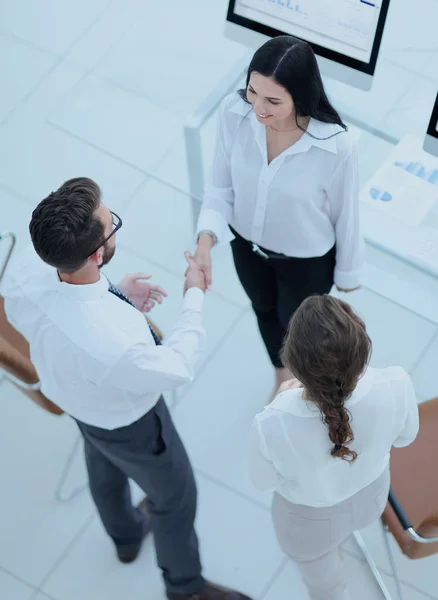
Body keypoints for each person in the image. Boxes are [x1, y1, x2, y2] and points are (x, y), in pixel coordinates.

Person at [3, 177, 252, 600]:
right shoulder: (117, 342)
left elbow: (69, 307)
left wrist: (113, 293)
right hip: (130, 421)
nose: (112, 221)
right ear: (97, 253)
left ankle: (125, 539)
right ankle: (185, 587)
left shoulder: (25, 268)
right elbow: (176, 366)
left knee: (103, 464)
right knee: (176, 498)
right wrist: (193, 295)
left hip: (78, 401)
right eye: (110, 223)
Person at [194, 35, 364, 400]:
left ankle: (305, 383)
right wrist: (205, 243)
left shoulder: (336, 146)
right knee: (263, 311)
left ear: (300, 97)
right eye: (253, 91)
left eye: (273, 101)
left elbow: (347, 214)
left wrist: (348, 272)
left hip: (306, 262)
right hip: (247, 247)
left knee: (300, 331)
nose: (258, 108)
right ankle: (282, 378)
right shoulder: (233, 113)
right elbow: (220, 188)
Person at [249, 295, 419, 600]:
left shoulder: (272, 422)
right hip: (371, 498)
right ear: (363, 347)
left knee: (326, 588)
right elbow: (405, 438)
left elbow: (264, 482)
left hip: (308, 523)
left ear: (294, 367)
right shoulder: (396, 383)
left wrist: (282, 400)